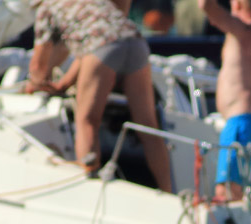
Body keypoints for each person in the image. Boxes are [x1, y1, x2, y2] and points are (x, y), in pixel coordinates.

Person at [26, 0, 173, 193]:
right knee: (148, 126)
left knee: (87, 121)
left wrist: (32, 85)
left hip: (102, 47)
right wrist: (63, 84)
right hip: (135, 42)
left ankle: (90, 188)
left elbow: (38, 66)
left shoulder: (47, 8)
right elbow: (90, 47)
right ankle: (168, 191)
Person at [199, 0, 251, 202]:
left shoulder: (241, 30)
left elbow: (205, 6)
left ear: (238, 4)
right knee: (243, 199)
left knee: (227, 194)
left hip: (241, 124)